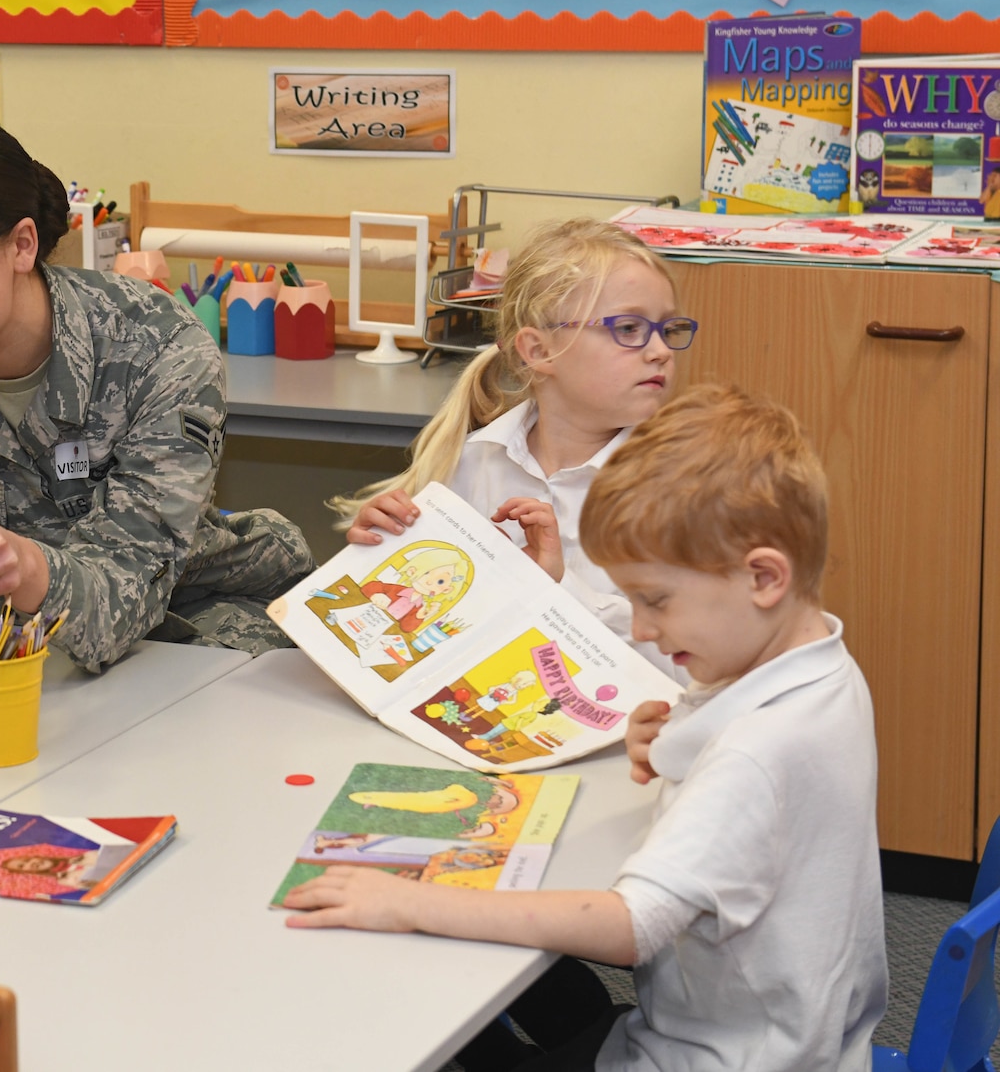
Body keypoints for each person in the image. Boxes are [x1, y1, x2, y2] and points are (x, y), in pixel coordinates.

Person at [284, 385, 885, 1072]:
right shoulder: (826, 670)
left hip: (716, 1058)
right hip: (799, 1034)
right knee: (518, 969)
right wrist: (677, 744)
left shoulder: (757, 752)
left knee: (427, 991)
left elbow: (633, 925)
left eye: (655, 600)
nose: (644, 628)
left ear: (764, 577)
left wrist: (409, 901)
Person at [0, 112, 314, 682]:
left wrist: (27, 568)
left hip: (194, 622)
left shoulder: (158, 347)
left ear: (20, 244)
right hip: (7, 651)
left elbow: (126, 589)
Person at [337, 218, 693, 680]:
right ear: (539, 352)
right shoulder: (470, 464)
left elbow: (698, 668)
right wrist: (377, 559)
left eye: (670, 329)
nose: (661, 349)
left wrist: (560, 587)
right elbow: (412, 625)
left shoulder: (688, 490)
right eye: (628, 327)